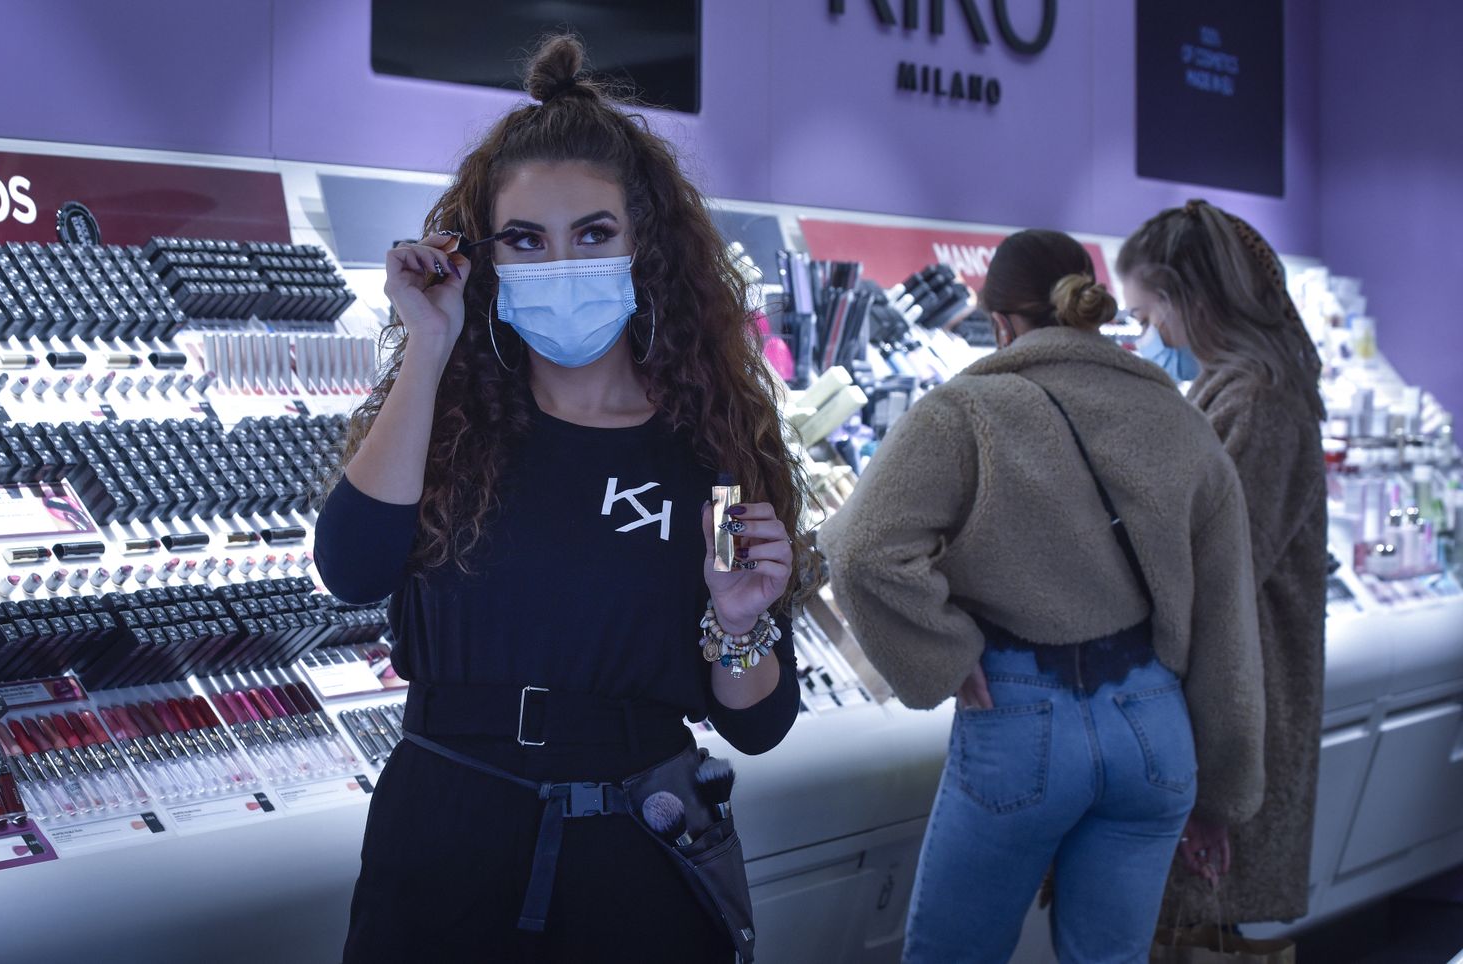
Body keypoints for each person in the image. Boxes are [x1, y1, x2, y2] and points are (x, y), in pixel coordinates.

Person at [314, 35, 814, 963]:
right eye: (525, 241)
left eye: (592, 234)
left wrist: (741, 621)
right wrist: (427, 345)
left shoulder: (710, 447)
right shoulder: (451, 422)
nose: (561, 261)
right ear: (487, 259)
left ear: (643, 246)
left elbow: (757, 722)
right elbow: (349, 569)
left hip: (634, 858)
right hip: (442, 845)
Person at [821, 229, 1267, 963]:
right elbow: (1226, 620)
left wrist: (944, 654)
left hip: (1022, 714)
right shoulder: (1180, 421)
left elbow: (863, 548)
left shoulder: (966, 412)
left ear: (998, 322)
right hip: (1154, 725)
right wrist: (1223, 796)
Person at [1118, 199, 1329, 925]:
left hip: (1240, 720)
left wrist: (1213, 791)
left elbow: (1218, 583)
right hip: (1228, 714)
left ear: (1192, 302)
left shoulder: (1261, 405)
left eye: (1150, 316)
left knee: (1213, 922)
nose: (1150, 337)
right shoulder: (1233, 392)